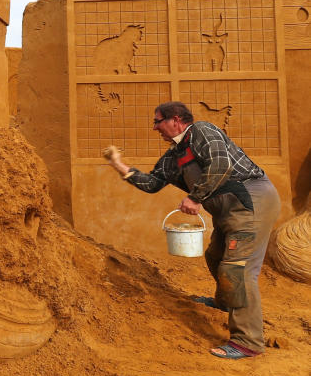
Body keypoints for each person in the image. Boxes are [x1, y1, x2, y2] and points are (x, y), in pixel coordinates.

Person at [102, 101, 280, 359]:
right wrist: (120, 166)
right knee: (215, 257)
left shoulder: (203, 132)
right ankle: (224, 302)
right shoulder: (174, 156)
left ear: (176, 120)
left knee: (237, 269)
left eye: (157, 121)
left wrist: (195, 198)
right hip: (227, 211)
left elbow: (220, 166)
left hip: (252, 202)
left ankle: (248, 341)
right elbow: (152, 184)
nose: (154, 128)